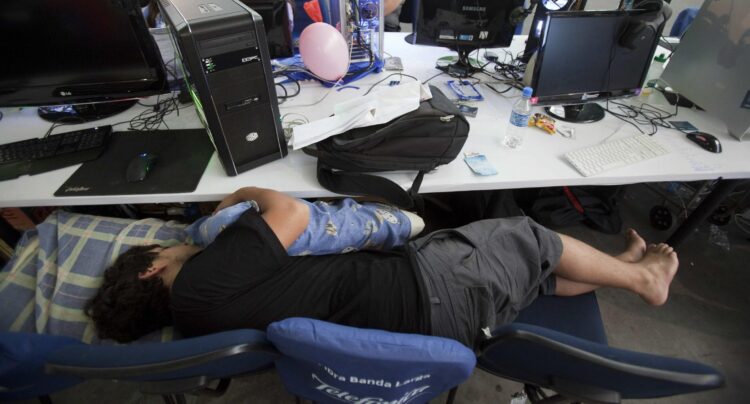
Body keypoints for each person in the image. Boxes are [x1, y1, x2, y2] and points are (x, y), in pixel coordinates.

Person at [86, 187, 679, 347]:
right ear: (149, 270)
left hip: (440, 327)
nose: (174, 247)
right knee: (527, 234)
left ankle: (618, 266)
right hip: (432, 288)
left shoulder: (195, 325)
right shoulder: (197, 281)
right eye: (162, 250)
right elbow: (290, 211)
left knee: (532, 269)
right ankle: (642, 279)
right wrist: (244, 189)